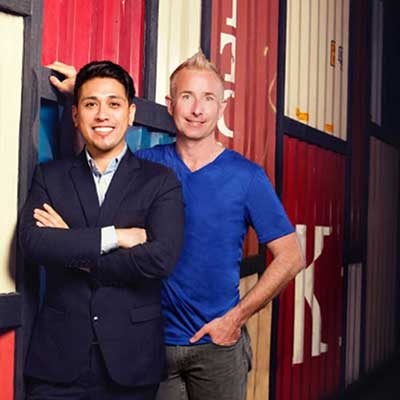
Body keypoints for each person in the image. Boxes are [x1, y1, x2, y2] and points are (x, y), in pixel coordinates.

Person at [46, 52, 305, 400]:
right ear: (170, 104)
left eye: (208, 98)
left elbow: (291, 257)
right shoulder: (146, 166)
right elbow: (100, 146)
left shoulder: (247, 178)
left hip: (218, 346)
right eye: (187, 97)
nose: (197, 109)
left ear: (221, 107)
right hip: (151, 342)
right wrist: (84, 90)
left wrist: (236, 318)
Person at [19, 61, 184, 399]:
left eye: (114, 103)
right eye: (91, 104)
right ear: (76, 115)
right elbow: (34, 244)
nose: (102, 115)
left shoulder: (160, 182)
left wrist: (73, 246)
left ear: (131, 113)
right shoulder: (50, 177)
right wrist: (116, 237)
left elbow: (160, 259)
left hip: (131, 361)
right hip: (58, 363)